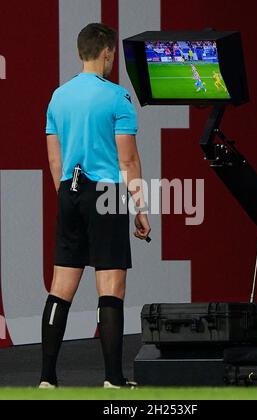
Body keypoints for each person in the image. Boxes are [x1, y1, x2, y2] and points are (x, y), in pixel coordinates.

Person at [39, 23, 151, 390]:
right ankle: (113, 379)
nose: (112, 58)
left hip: (68, 192)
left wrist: (68, 196)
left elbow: (55, 162)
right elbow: (129, 160)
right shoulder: (117, 97)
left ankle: (46, 379)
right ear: (106, 52)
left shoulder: (58, 97)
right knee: (111, 287)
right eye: (112, 53)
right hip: (107, 192)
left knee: (60, 287)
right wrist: (141, 207)